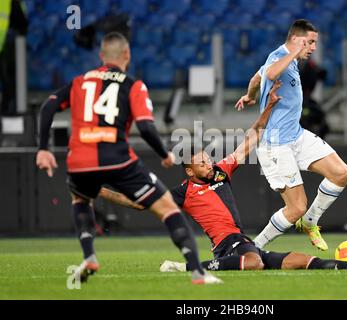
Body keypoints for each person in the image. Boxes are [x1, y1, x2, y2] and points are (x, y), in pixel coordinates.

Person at [98, 83, 347, 273]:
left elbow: (251, 138)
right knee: (255, 264)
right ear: (190, 171)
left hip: (242, 242)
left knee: (301, 261)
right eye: (202, 162)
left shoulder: (221, 172)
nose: (209, 162)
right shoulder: (183, 191)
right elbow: (141, 204)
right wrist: (102, 192)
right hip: (226, 247)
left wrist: (269, 108)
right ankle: (188, 267)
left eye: (208, 157)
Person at [35, 32, 221, 285]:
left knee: (80, 198)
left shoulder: (80, 81)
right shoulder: (133, 85)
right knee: (167, 207)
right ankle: (199, 273)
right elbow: (145, 127)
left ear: (101, 56)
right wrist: (163, 154)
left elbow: (48, 106)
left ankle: (89, 255)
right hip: (118, 159)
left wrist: (43, 149)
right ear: (127, 55)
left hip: (80, 160)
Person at [235, 19, 347, 251]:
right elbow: (270, 73)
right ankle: (253, 248)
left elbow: (257, 79)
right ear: (296, 40)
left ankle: (310, 222)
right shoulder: (279, 57)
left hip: (296, 136)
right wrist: (294, 53)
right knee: (296, 208)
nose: (313, 48)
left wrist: (250, 96)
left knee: (341, 173)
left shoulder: (289, 60)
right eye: (310, 42)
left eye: (314, 43)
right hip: (275, 144)